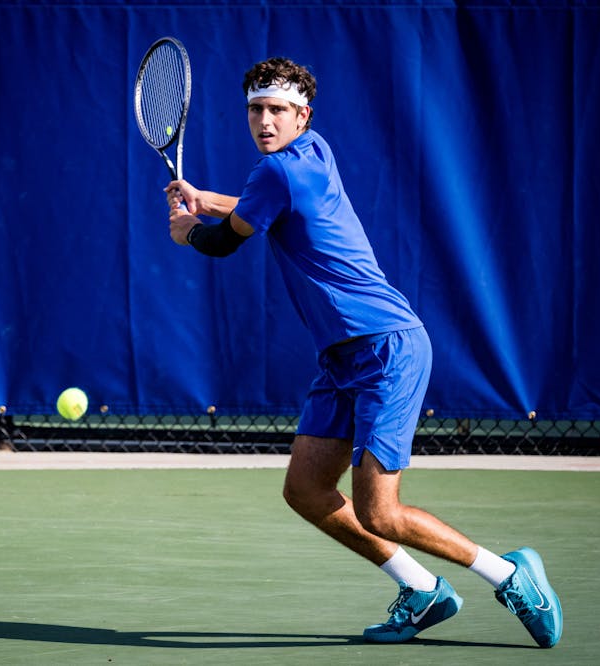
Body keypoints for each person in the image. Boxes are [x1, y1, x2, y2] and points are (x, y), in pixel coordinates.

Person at [164, 56, 563, 648]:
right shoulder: (312, 154)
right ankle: (422, 589)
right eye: (255, 109)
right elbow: (254, 209)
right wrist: (205, 198)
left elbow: (225, 244)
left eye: (278, 110)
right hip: (342, 358)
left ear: (303, 115)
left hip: (385, 348)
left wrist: (188, 230)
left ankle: (509, 574)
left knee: (380, 510)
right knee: (306, 488)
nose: (265, 120)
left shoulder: (275, 173)